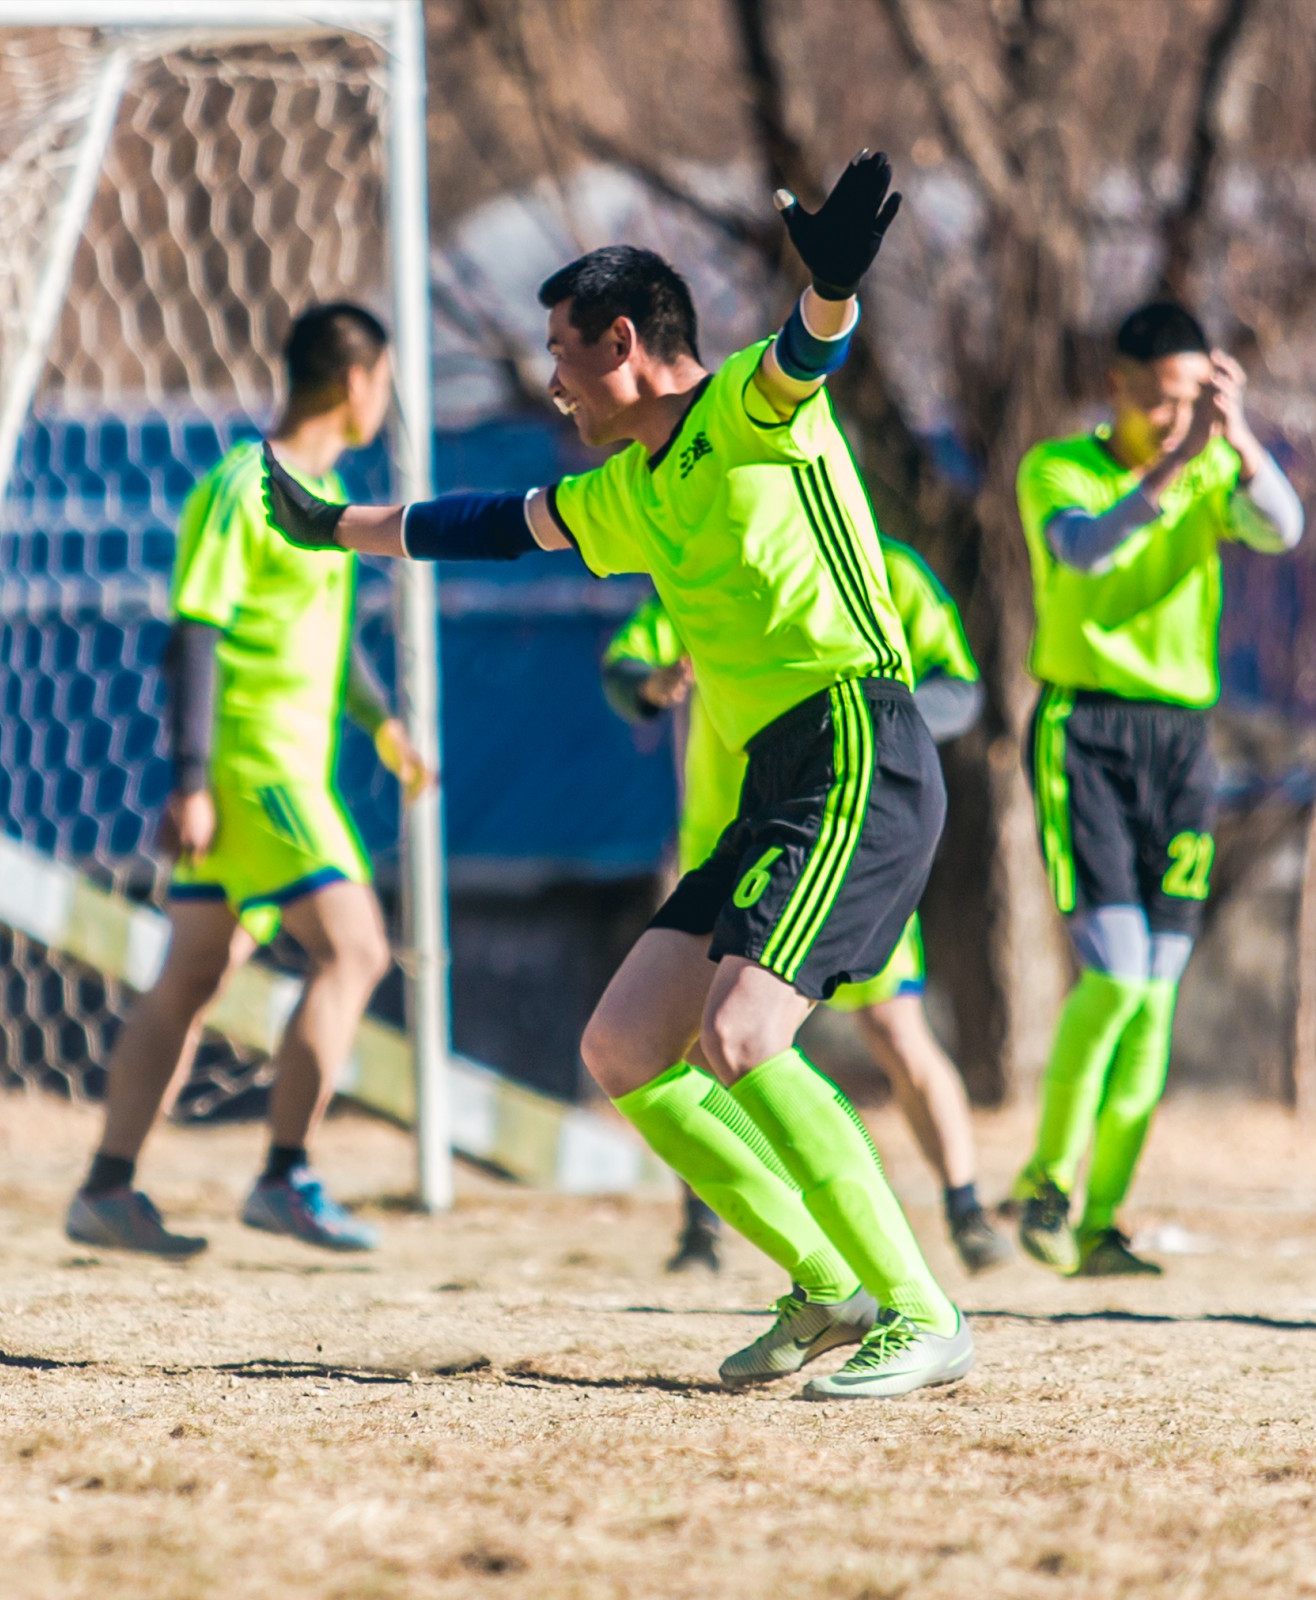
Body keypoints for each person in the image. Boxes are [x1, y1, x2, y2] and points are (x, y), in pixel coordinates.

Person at [262, 153, 974, 1401]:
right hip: (779, 783)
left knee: (746, 1034)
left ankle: (921, 1312)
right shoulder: (632, 492)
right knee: (627, 1045)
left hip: (858, 743)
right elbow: (484, 525)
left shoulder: (748, 410)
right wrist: (335, 527)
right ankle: (825, 1288)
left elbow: (811, 353)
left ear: (629, 341)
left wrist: (835, 285)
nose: (551, 375)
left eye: (562, 348)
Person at [64, 302, 432, 1259]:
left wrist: (382, 722)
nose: (383, 401)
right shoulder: (244, 486)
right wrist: (190, 777)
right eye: (383, 382)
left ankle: (107, 1189)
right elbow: (196, 629)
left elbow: (327, 633)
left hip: (279, 767)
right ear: (357, 382)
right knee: (354, 952)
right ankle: (286, 1174)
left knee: (193, 972)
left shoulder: (327, 492)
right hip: (254, 768)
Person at [601, 543, 1015, 1277]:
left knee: (892, 1028)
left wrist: (873, 720)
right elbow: (625, 667)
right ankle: (713, 1227)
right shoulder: (707, 561)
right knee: (696, 1042)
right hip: (727, 837)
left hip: (843, 829)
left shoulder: (885, 570)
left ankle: (962, 1214)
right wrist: (655, 683)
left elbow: (961, 686)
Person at [1012, 301, 1305, 1277]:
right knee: (1115, 972)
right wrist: (1179, 469)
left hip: (1182, 741)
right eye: (1160, 401)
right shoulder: (1059, 468)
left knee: (1160, 992)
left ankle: (1101, 1220)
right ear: (1119, 387)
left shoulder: (1216, 461)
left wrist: (1243, 436)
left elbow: (1285, 530)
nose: (1176, 419)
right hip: (1084, 730)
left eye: (1191, 401)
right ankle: (1045, 1179)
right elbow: (1084, 550)